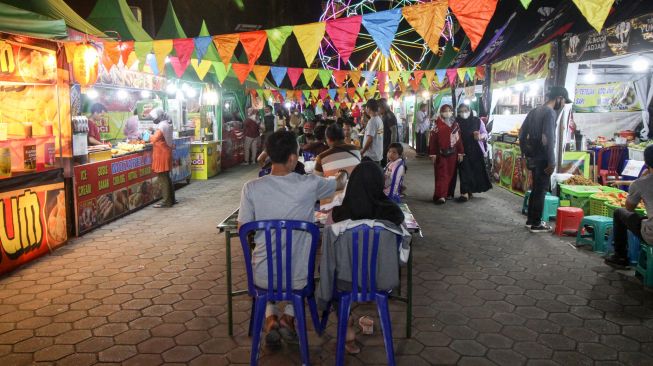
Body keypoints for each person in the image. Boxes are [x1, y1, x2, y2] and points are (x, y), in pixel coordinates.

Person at [238, 130, 347, 346]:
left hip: (260, 276)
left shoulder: (250, 188)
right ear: (292, 158)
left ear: (269, 155)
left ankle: (270, 319)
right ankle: (288, 316)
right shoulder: (309, 184)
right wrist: (343, 172)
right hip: (298, 278)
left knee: (270, 272)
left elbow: (243, 229)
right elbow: (340, 183)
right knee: (298, 276)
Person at [321, 162, 408, 354]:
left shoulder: (336, 215)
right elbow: (401, 256)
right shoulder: (394, 214)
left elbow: (329, 254)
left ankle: (347, 325)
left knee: (334, 273)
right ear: (378, 184)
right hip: (381, 280)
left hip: (346, 281)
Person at [519, 86, 571, 232]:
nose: (563, 105)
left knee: (535, 189)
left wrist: (525, 153)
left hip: (533, 157)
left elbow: (522, 133)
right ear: (559, 98)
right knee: (540, 190)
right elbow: (549, 138)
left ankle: (531, 220)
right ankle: (536, 223)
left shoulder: (535, 111)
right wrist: (552, 161)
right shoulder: (549, 113)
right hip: (543, 158)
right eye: (564, 101)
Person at [605, 146, 653, 268]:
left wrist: (642, 177)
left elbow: (629, 208)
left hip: (651, 234)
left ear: (646, 162)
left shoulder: (642, 183)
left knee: (619, 213)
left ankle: (620, 256)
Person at [456, 104, 492, 202]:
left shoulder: (477, 121)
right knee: (464, 171)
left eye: (465, 110)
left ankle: (469, 190)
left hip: (476, 151)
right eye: (461, 111)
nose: (463, 113)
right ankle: (464, 193)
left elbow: (485, 133)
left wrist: (480, 136)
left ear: (470, 110)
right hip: (462, 150)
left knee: (473, 171)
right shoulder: (456, 122)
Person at [429, 104, 464, 204]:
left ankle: (445, 194)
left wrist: (461, 152)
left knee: (450, 174)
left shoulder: (455, 124)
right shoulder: (436, 124)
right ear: (441, 112)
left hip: (453, 153)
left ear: (452, 111)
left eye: (449, 110)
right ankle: (441, 196)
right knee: (441, 174)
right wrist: (432, 154)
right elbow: (433, 140)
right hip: (440, 154)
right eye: (445, 110)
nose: (447, 112)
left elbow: (459, 140)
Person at [148, 108, 175, 208]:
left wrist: (148, 134)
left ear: (159, 116)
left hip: (161, 155)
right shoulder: (166, 123)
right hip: (165, 153)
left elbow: (154, 139)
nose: (153, 120)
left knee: (163, 178)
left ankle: (166, 201)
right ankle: (171, 199)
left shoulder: (162, 125)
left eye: (154, 118)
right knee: (166, 177)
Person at [360, 99, 384, 165]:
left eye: (366, 108)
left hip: (371, 156)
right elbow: (378, 135)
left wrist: (363, 151)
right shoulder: (379, 119)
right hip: (377, 153)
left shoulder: (372, 121)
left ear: (368, 108)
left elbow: (370, 139)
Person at [379, 98, 398, 166]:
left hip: (388, 144)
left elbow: (394, 131)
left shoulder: (389, 115)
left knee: (389, 165)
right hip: (385, 143)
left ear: (382, 107)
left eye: (379, 107)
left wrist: (392, 146)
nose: (378, 109)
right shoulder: (384, 115)